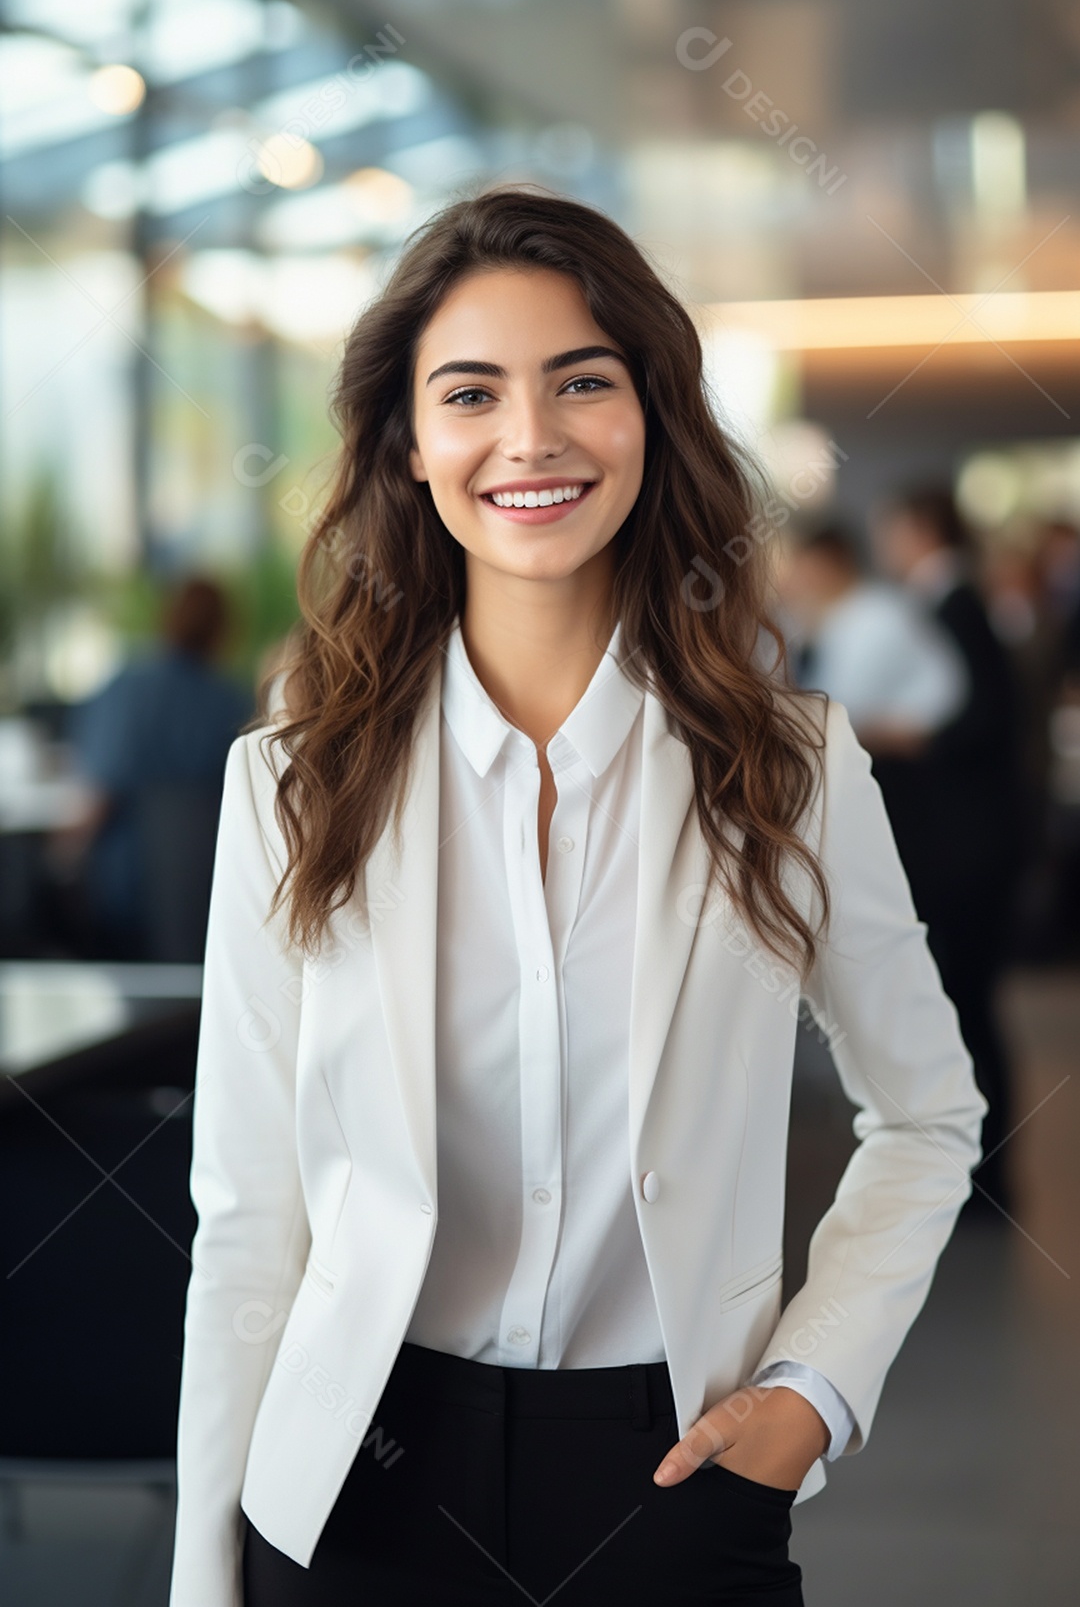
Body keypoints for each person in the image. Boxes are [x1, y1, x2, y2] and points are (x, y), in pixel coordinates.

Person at [169, 191, 987, 1607]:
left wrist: (810, 1394)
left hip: (676, 1474)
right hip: (356, 1476)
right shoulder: (294, 784)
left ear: (653, 419)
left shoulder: (791, 769)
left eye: (583, 384)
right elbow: (249, 1212)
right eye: (471, 393)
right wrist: (202, 1572)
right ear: (411, 448)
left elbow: (929, 1117)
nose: (530, 438)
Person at [871, 489, 1024, 1220]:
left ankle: (985, 1177)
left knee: (965, 1006)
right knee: (964, 1004)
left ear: (916, 526)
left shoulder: (955, 605)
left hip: (966, 848)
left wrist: (907, 737)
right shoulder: (950, 603)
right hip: (966, 844)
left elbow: (983, 721)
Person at [69, 577, 251, 959]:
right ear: (223, 631)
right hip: (210, 897)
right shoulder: (236, 705)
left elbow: (97, 802)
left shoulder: (127, 690)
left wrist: (60, 858)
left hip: (128, 900)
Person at [777, 522, 968, 755]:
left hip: (928, 759)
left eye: (803, 567)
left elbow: (843, 705)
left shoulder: (877, 615)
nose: (794, 580)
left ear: (828, 565)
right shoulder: (842, 616)